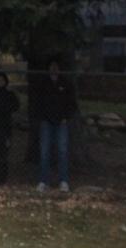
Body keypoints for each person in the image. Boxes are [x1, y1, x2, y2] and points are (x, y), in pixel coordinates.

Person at [34, 60, 76, 193]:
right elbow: (38, 102)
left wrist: (66, 117)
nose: (54, 69)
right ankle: (43, 181)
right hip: (46, 121)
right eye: (51, 66)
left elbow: (71, 103)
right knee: (44, 152)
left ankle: (63, 181)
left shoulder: (66, 83)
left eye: (56, 66)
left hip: (61, 122)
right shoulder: (43, 83)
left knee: (62, 151)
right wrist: (42, 117)